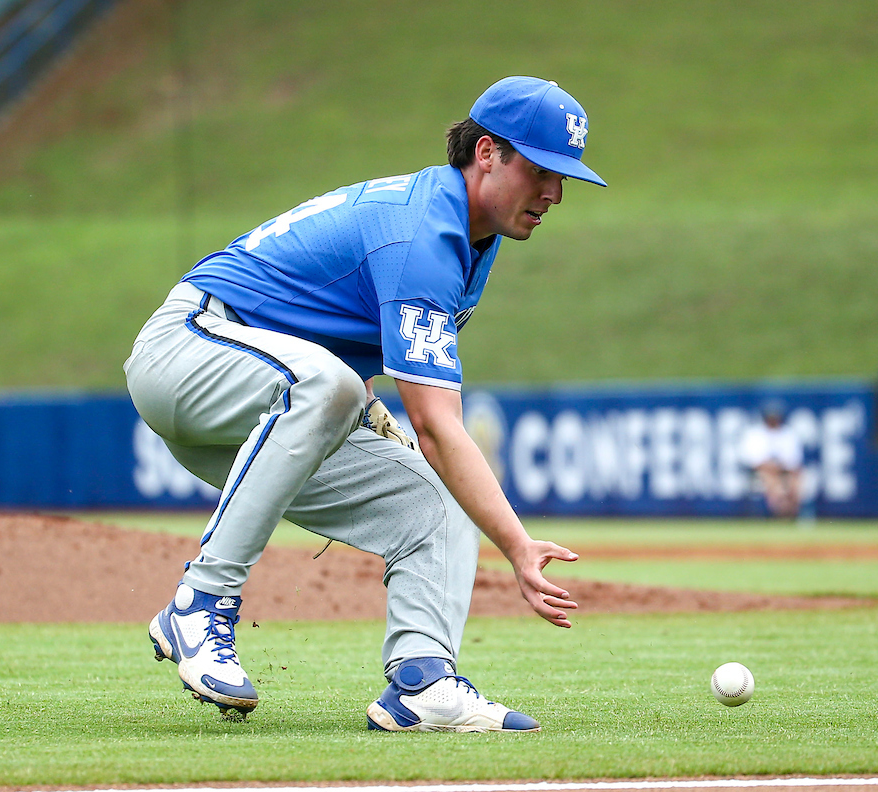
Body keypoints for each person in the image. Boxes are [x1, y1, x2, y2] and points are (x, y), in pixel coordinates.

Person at [123, 77, 606, 731]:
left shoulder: (469, 233)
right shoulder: (422, 237)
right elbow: (436, 426)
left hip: (262, 395)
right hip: (185, 350)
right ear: (487, 153)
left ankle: (423, 683)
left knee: (436, 498)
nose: (554, 193)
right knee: (338, 391)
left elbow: (318, 313)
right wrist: (518, 546)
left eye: (563, 177)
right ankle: (199, 604)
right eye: (540, 170)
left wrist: (355, 395)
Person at [742, 399, 804, 519]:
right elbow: (754, 461)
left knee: (795, 481)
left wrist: (783, 470)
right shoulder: (755, 433)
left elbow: (794, 462)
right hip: (762, 472)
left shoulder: (788, 433)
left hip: (785, 472)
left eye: (775, 417)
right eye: (770, 417)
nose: (773, 420)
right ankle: (780, 515)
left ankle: (792, 514)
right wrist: (773, 468)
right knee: (772, 482)